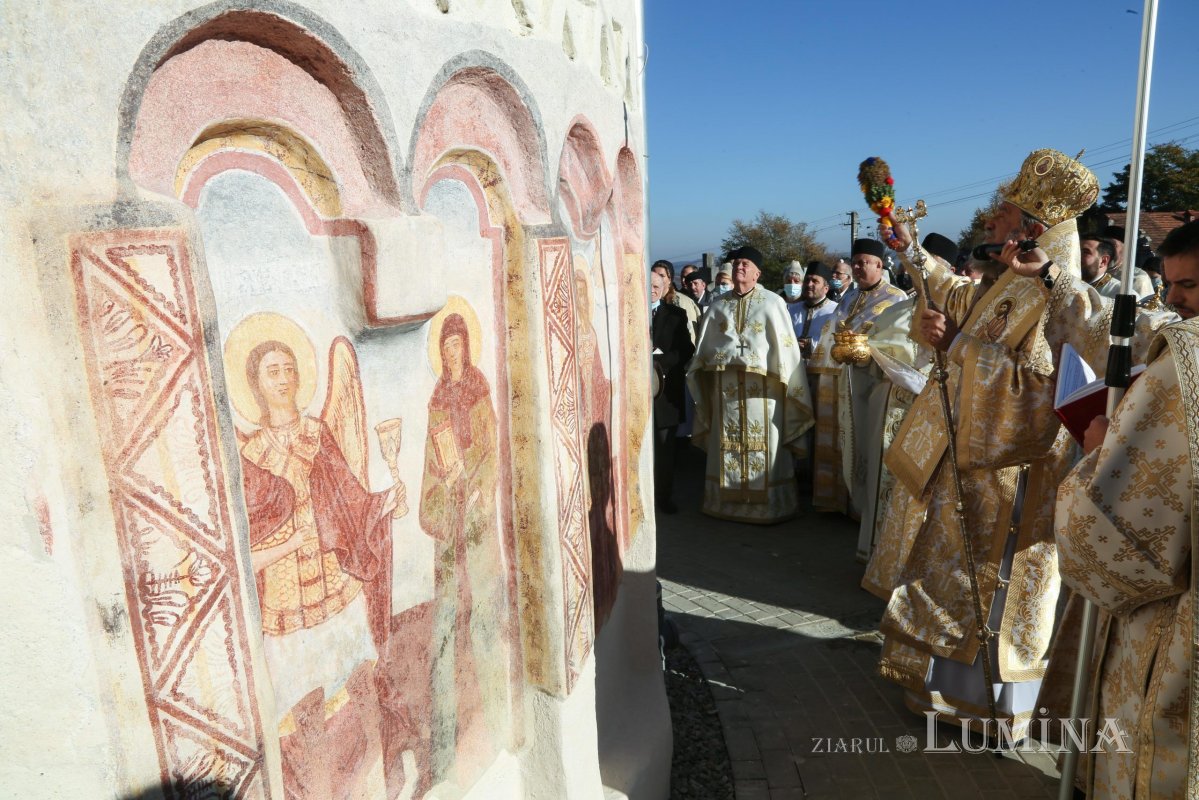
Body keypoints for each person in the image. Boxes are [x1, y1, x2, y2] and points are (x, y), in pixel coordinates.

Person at [866, 149, 1101, 739]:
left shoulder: (1056, 292)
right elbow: (967, 307)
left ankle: (994, 707)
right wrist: (911, 251)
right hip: (969, 466)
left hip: (1012, 480)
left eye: (1002, 212)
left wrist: (956, 348)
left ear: (1032, 226)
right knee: (949, 580)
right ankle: (945, 692)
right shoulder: (1017, 278)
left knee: (994, 589)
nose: (992, 222)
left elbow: (1044, 393)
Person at [1053, 217, 1199, 799]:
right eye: (1171, 284)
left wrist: (1096, 452)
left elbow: (1134, 505)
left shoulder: (1185, 359)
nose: (1175, 300)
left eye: (1189, 285)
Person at [418, 313, 509, 784]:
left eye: (457, 344)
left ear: (467, 346)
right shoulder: (437, 394)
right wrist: (443, 477)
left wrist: (474, 480)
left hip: (473, 506)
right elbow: (433, 451)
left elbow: (489, 444)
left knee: (485, 598)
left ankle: (490, 663)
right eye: (446, 345)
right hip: (448, 503)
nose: (451, 352)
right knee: (448, 603)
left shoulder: (475, 385)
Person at [686, 245, 814, 523]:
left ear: (758, 272)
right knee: (726, 443)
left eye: (746, 264)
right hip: (726, 393)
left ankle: (770, 507)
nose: (739, 267)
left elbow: (787, 352)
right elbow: (702, 354)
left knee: (766, 444)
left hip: (764, 395)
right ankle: (725, 504)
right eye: (736, 264)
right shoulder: (717, 307)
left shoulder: (772, 303)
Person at [806, 239, 907, 516]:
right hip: (839, 379)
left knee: (862, 442)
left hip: (869, 385)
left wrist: (866, 354)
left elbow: (898, 346)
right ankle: (838, 500)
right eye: (856, 262)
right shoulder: (849, 298)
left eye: (866, 262)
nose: (860, 267)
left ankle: (861, 509)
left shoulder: (895, 298)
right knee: (840, 439)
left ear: (879, 264)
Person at [650, 271, 695, 513]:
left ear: (665, 288)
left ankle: (663, 497)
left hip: (665, 394)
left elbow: (687, 350)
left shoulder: (676, 315)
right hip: (635, 396)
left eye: (656, 286)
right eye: (648, 286)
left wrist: (660, 362)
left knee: (664, 449)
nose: (652, 290)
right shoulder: (627, 310)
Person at [788, 261, 837, 358]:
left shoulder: (835, 310)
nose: (809, 284)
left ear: (826, 288)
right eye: (807, 280)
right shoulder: (791, 309)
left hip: (821, 368)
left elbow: (837, 342)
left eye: (815, 281)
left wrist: (809, 345)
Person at [1103, 224, 1156, 300]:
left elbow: (1141, 309)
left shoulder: (1137, 278)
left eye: (1112, 245)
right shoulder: (1090, 272)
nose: (1106, 250)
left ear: (1126, 248)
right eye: (1102, 245)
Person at [652, 259, 700, 343]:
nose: (656, 278)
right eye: (654, 274)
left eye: (661, 275)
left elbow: (690, 334)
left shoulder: (682, 302)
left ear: (670, 279)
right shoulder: (649, 301)